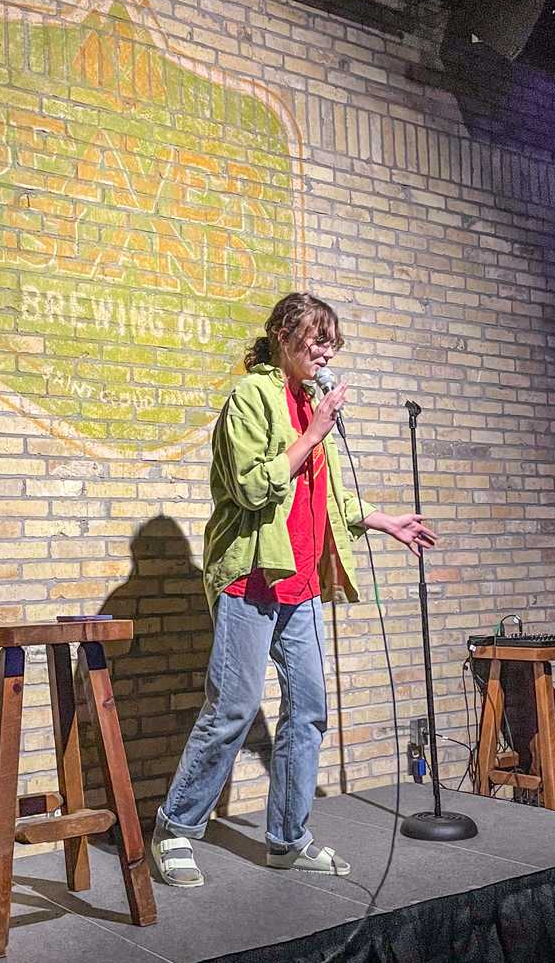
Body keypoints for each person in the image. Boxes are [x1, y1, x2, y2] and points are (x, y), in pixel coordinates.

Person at [151, 292, 436, 886]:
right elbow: (254, 487)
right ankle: (175, 829)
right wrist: (314, 431)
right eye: (316, 338)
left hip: (301, 581)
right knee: (232, 708)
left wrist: (382, 520)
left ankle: (287, 838)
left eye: (331, 342)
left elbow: (324, 493)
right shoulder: (250, 399)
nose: (325, 351)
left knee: (308, 710)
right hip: (251, 577)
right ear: (283, 335)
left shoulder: (311, 405)